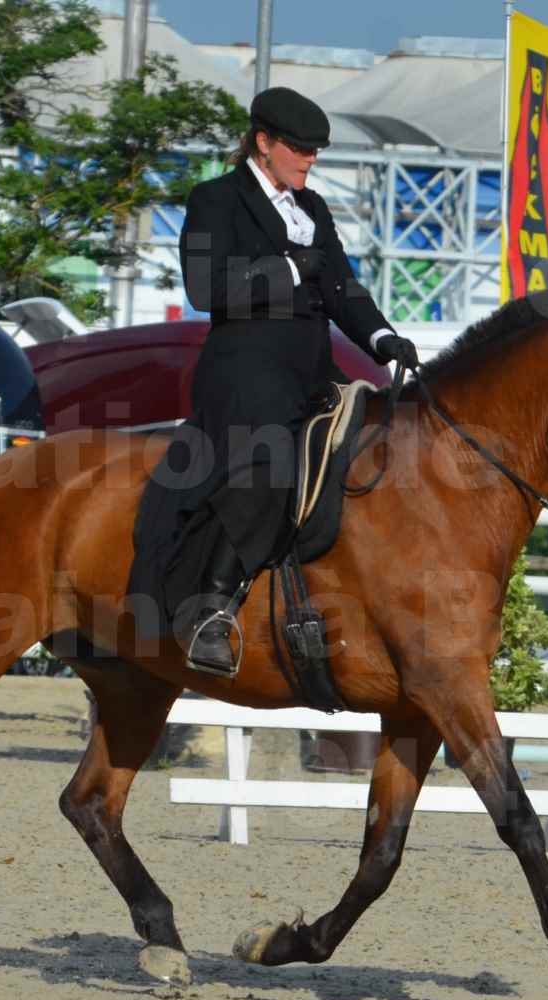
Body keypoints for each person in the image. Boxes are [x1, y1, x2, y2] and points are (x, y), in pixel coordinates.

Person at [134, 85, 420, 676]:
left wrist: (382, 338)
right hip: (242, 367)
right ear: (263, 143)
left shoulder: (312, 209)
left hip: (311, 369)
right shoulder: (215, 199)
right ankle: (210, 603)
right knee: (271, 463)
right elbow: (204, 289)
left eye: (316, 152)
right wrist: (288, 268)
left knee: (376, 450)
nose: (310, 161)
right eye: (301, 150)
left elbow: (343, 286)